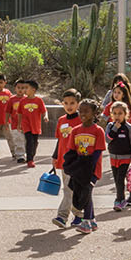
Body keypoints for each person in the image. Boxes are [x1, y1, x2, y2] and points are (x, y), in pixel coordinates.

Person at [62, 100, 107, 233]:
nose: (82, 114)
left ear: (94, 113)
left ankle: (86, 222)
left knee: (86, 193)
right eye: (80, 111)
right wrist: (72, 166)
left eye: (86, 111)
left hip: (91, 169)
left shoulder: (98, 131)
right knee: (86, 194)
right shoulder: (76, 130)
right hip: (79, 168)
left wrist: (88, 167)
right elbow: (72, 150)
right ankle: (92, 220)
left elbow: (98, 152)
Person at [49, 89, 85, 229]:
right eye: (66, 103)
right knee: (69, 189)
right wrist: (55, 155)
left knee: (70, 190)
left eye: (72, 103)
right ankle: (78, 215)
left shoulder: (81, 120)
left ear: (78, 104)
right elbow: (60, 140)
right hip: (64, 161)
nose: (69, 106)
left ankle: (63, 216)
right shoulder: (61, 120)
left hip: (77, 161)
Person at [106, 100, 131, 212]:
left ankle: (119, 200)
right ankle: (121, 198)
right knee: (116, 180)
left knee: (120, 179)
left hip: (125, 158)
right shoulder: (110, 126)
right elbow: (108, 139)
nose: (117, 116)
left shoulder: (129, 128)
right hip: (113, 158)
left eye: (120, 113)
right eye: (115, 113)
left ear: (125, 114)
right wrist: (115, 128)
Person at [12, 80, 47, 167]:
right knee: (29, 141)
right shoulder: (23, 101)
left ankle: (31, 155)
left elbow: (44, 110)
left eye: (26, 88)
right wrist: (19, 124)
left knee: (35, 142)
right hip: (26, 125)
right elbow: (19, 113)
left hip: (36, 125)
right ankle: (30, 160)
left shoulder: (39, 100)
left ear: (33, 90)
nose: (24, 90)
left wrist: (45, 116)